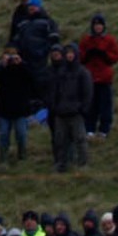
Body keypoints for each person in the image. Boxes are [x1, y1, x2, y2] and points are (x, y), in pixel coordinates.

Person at [44, 44, 93, 173]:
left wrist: (82, 109)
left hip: (76, 113)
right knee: (60, 140)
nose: (69, 55)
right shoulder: (60, 72)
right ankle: (61, 164)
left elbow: (87, 93)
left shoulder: (83, 72)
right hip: (60, 113)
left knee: (80, 139)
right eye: (67, 53)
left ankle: (82, 164)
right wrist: (54, 107)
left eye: (72, 53)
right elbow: (54, 91)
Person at [78, 14, 118, 138]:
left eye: (100, 25)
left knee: (105, 106)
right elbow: (80, 56)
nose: (98, 27)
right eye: (96, 25)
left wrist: (105, 55)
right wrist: (87, 55)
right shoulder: (86, 40)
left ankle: (104, 129)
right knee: (91, 105)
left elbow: (116, 56)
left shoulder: (109, 40)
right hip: (90, 78)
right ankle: (89, 129)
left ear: (103, 26)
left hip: (104, 78)